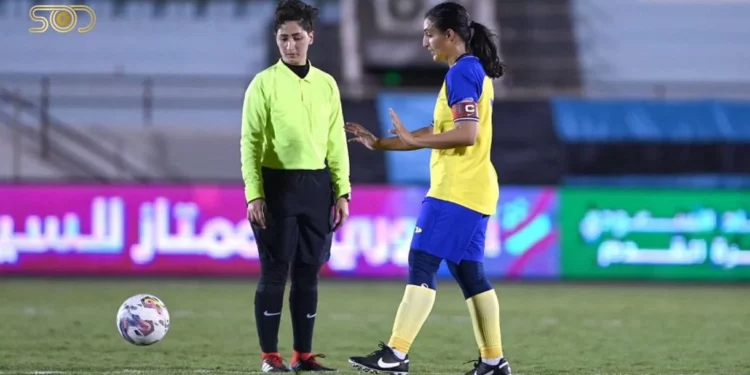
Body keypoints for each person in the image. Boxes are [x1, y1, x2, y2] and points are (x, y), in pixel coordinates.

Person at [345, 2, 511, 375]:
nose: (425, 42)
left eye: (429, 33)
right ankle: (493, 362)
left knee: (422, 260)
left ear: (450, 36)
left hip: (457, 190)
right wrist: (381, 143)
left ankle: (396, 354)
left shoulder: (462, 74)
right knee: (470, 273)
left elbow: (465, 135)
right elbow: (439, 132)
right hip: (476, 188)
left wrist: (413, 141)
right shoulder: (469, 71)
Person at [240, 0, 350, 372]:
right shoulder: (263, 84)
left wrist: (342, 191)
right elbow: (250, 142)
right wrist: (254, 193)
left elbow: (336, 140)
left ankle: (303, 355)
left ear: (311, 37)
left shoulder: (327, 85)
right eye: (284, 38)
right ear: (276, 39)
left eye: (297, 37)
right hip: (277, 185)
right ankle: (270, 357)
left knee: (308, 272)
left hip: (317, 186)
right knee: (274, 271)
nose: (290, 45)